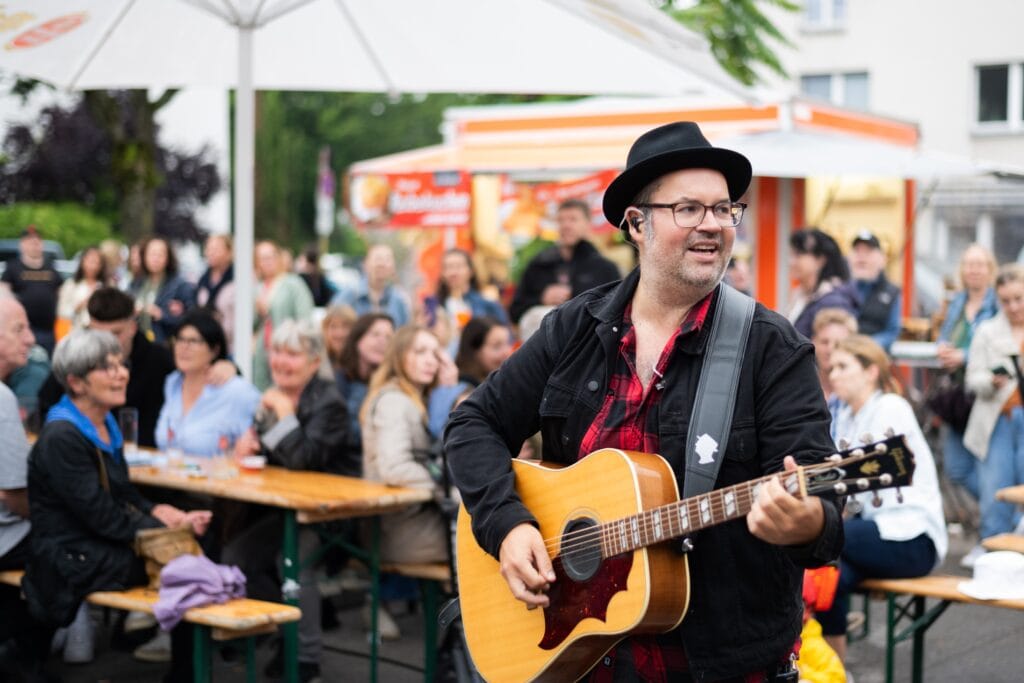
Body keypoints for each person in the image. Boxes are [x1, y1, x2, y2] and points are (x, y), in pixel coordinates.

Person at [445, 121, 843, 681]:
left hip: (720, 667)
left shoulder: (772, 349)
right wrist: (509, 526)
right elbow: (472, 423)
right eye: (688, 209)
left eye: (725, 209)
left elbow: (825, 506)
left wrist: (804, 521)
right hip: (584, 659)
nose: (712, 225)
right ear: (636, 224)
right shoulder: (575, 328)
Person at [22, 329, 211, 678]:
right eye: (107, 368)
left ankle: (186, 669)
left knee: (188, 555)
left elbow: (123, 495)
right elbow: (103, 517)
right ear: (77, 383)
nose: (121, 373)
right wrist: (166, 530)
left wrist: (162, 513)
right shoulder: (63, 435)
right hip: (67, 556)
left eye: (120, 364)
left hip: (93, 546)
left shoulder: (104, 421)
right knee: (182, 566)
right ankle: (187, 671)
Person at [227, 319, 349, 683]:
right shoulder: (272, 397)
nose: (280, 361)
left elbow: (302, 459)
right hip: (283, 510)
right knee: (234, 556)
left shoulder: (329, 403)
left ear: (314, 361)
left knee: (292, 560)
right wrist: (246, 449)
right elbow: (271, 460)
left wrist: (282, 414)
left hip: (331, 515)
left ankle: (306, 659)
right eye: (277, 351)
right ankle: (283, 630)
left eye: (292, 354)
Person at [817, 335, 946, 661]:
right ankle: (835, 671)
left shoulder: (891, 407)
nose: (834, 376)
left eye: (844, 367)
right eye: (831, 369)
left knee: (820, 535)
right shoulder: (846, 415)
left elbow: (860, 487)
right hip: (874, 533)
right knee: (828, 576)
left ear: (871, 371)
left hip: (912, 538)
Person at [362, 325, 450, 563]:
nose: (430, 361)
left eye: (435, 354)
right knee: (486, 542)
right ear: (399, 356)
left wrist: (447, 389)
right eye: (420, 352)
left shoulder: (419, 400)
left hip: (412, 521)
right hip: (399, 530)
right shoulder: (395, 402)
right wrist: (444, 486)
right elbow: (395, 468)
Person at [963, 263, 1024, 562]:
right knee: (996, 491)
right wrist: (991, 381)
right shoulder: (988, 331)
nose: (1013, 306)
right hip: (998, 419)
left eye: (1019, 298)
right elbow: (972, 378)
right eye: (1006, 300)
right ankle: (992, 555)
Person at [0, 294, 46, 679]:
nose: (30, 339)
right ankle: (26, 661)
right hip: (5, 539)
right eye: (19, 329)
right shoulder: (1, 398)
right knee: (73, 548)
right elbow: (15, 497)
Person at [934, 244, 999, 504]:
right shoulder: (958, 301)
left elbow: (1001, 346)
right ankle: (998, 510)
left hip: (987, 395)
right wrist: (943, 348)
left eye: (979, 264)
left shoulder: (998, 303)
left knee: (988, 465)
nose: (974, 270)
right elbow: (944, 334)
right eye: (969, 264)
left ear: (990, 269)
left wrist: (964, 356)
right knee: (956, 469)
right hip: (959, 396)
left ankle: (996, 519)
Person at [155, 311, 260, 457]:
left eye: (193, 341)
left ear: (215, 350)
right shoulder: (172, 384)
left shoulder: (236, 391)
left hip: (218, 478)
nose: (184, 347)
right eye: (180, 339)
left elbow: (256, 442)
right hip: (166, 478)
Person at [507, 198, 621, 325]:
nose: (566, 225)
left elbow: (615, 313)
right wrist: (541, 299)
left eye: (573, 219)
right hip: (543, 341)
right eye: (561, 220)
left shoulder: (605, 269)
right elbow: (514, 311)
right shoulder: (539, 265)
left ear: (588, 224)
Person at [428, 316, 512, 438]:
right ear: (474, 350)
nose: (507, 352)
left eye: (507, 344)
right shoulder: (464, 393)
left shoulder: (494, 383)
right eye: (496, 346)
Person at [253, 240, 314, 390]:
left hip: (287, 350)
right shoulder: (258, 287)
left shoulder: (293, 283)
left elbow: (305, 319)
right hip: (263, 351)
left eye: (270, 257)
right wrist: (259, 312)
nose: (267, 262)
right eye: (262, 258)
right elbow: (252, 325)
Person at [334, 313, 395, 461]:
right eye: (375, 334)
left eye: (388, 337)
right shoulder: (337, 380)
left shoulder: (392, 386)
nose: (382, 341)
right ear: (357, 339)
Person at [422, 248, 508, 346]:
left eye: (458, 266)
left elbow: (505, 338)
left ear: (471, 271)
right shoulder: (432, 305)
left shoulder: (488, 304)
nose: (453, 272)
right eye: (448, 267)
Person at [1, 226, 63, 355]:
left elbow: (61, 292)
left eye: (37, 242)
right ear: (22, 245)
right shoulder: (13, 267)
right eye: (30, 242)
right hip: (23, 330)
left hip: (49, 330)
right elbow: (4, 293)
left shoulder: (50, 267)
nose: (34, 246)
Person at [787, 228, 860, 339]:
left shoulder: (833, 302)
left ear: (820, 260)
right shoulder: (803, 295)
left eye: (798, 255)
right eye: (792, 254)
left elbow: (831, 349)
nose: (791, 261)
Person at [131, 236, 195, 344]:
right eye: (152, 254)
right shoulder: (135, 284)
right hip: (138, 344)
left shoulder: (180, 286)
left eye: (160, 254)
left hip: (165, 344)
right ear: (144, 256)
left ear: (168, 257)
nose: (155, 259)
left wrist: (161, 315)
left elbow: (191, 319)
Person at [332, 244, 411, 327]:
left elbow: (403, 334)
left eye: (387, 260)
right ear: (365, 264)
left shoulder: (399, 299)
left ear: (393, 267)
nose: (382, 264)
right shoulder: (350, 294)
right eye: (377, 259)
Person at [848, 231, 901, 352]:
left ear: (881, 259)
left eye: (868, 252)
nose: (861, 257)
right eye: (857, 251)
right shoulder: (839, 289)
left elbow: (892, 331)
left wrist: (866, 346)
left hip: (873, 357)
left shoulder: (892, 292)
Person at [811, 307, 859, 433]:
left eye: (838, 344)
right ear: (813, 342)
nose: (830, 349)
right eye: (824, 342)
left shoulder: (860, 394)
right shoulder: (801, 388)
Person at [195, 233, 236, 352]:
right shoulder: (202, 281)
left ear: (229, 253)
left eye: (216, 249)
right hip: (207, 345)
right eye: (209, 249)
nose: (211, 253)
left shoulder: (237, 280)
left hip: (231, 346)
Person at [57, 245, 109, 333]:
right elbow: (62, 312)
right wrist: (80, 305)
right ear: (82, 261)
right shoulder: (71, 285)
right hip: (76, 332)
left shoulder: (105, 286)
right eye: (90, 261)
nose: (93, 266)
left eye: (97, 262)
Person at [322, 303, 357, 374]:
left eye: (345, 327)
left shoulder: (362, 362)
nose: (339, 334)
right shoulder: (319, 361)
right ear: (325, 330)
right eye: (333, 326)